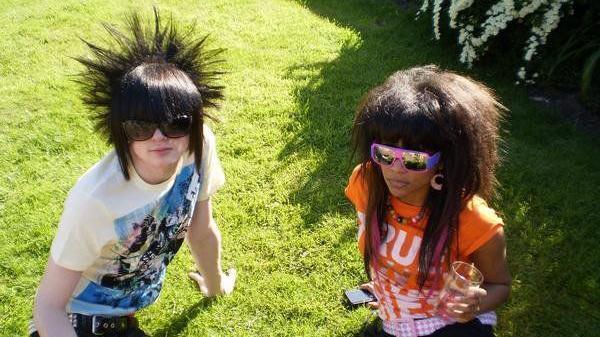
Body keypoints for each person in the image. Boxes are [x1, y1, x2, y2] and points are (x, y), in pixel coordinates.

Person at [31, 9, 236, 337]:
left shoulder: (199, 147)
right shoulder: (94, 201)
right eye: (141, 125)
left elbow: (201, 228)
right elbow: (47, 307)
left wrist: (215, 286)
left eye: (176, 122)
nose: (159, 136)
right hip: (78, 322)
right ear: (122, 132)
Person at [345, 66, 511, 337]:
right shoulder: (366, 183)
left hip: (449, 324)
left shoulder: (475, 221)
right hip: (396, 320)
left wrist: (474, 303)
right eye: (385, 154)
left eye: (414, 160)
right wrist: (393, 287)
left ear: (445, 161)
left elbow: (500, 285)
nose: (396, 169)